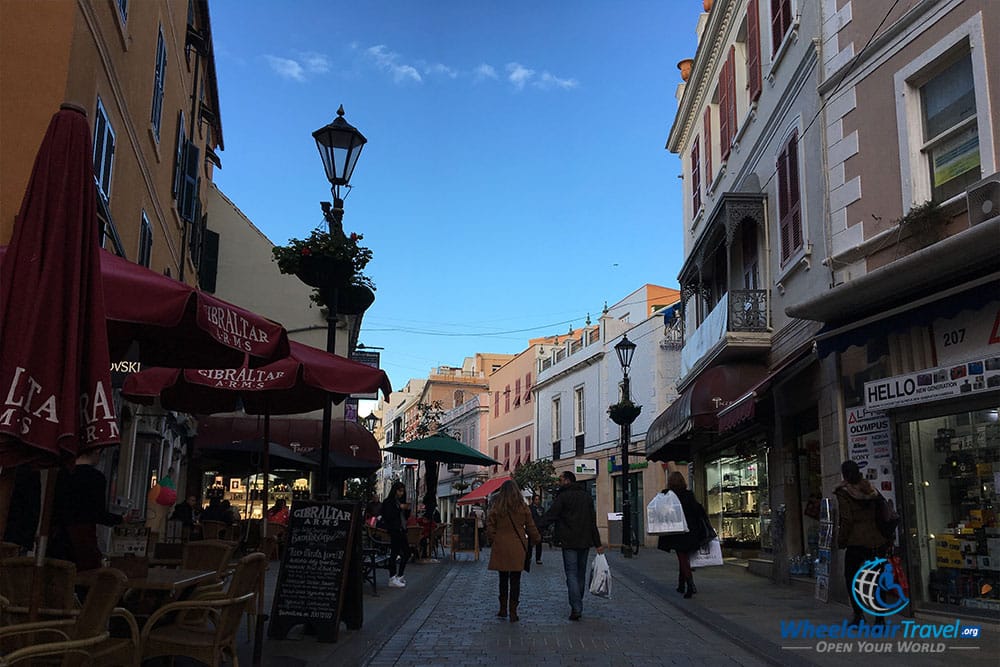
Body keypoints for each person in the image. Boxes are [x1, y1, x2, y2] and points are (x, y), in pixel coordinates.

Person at [537, 471, 604, 621]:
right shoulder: (586, 497)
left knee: (571, 574)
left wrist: (536, 527)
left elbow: (551, 515)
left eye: (560, 480)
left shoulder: (563, 497)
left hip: (568, 541)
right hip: (584, 540)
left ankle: (576, 607)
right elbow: (592, 521)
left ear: (567, 481)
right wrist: (597, 543)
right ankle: (577, 602)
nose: (558, 483)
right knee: (580, 574)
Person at [49, 449, 123, 571]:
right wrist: (120, 519)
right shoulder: (96, 478)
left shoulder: (60, 474)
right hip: (82, 539)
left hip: (58, 536)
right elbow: (98, 514)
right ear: (96, 452)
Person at [835, 460, 888, 625]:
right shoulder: (870, 488)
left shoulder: (844, 492)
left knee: (851, 577)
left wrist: (841, 540)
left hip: (856, 541)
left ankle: (858, 615)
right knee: (878, 579)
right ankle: (880, 619)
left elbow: (847, 519)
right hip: (877, 539)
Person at [486, 480, 541, 622]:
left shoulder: (497, 507)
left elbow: (490, 525)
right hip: (517, 546)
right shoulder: (522, 507)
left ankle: (503, 608)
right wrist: (536, 539)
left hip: (501, 545)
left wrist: (495, 539)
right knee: (516, 580)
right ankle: (513, 611)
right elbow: (531, 526)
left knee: (503, 579)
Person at [655, 471, 710, 599]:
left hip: (677, 532)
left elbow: (662, 511)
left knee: (682, 558)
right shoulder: (688, 495)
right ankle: (681, 584)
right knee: (683, 557)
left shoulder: (667, 495)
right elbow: (698, 511)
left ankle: (690, 585)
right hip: (690, 532)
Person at [379, 482, 411, 588]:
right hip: (394, 530)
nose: (401, 493)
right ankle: (392, 577)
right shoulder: (388, 502)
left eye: (402, 491)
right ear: (395, 490)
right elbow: (388, 516)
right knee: (395, 553)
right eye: (399, 491)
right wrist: (400, 508)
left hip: (402, 529)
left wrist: (407, 509)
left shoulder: (400, 502)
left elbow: (405, 517)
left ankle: (399, 575)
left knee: (406, 553)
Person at [529, 495, 545, 565]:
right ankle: (529, 557)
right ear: (533, 500)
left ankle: (538, 558)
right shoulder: (529, 508)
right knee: (530, 544)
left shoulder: (541, 509)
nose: (537, 501)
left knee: (539, 544)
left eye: (538, 499)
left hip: (539, 528)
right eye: (536, 499)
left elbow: (543, 517)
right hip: (531, 527)